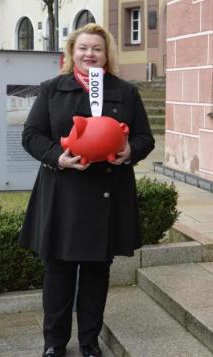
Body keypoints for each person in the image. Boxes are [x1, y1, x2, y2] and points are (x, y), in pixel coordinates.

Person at [18, 23, 155, 357]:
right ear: (71, 52)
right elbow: (31, 135)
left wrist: (129, 152)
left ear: (106, 54)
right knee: (59, 271)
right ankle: (54, 342)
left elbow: (144, 138)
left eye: (97, 48)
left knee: (96, 272)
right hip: (63, 191)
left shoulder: (126, 91)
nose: (89, 54)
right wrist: (58, 157)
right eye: (83, 48)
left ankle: (89, 341)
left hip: (106, 192)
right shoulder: (52, 89)